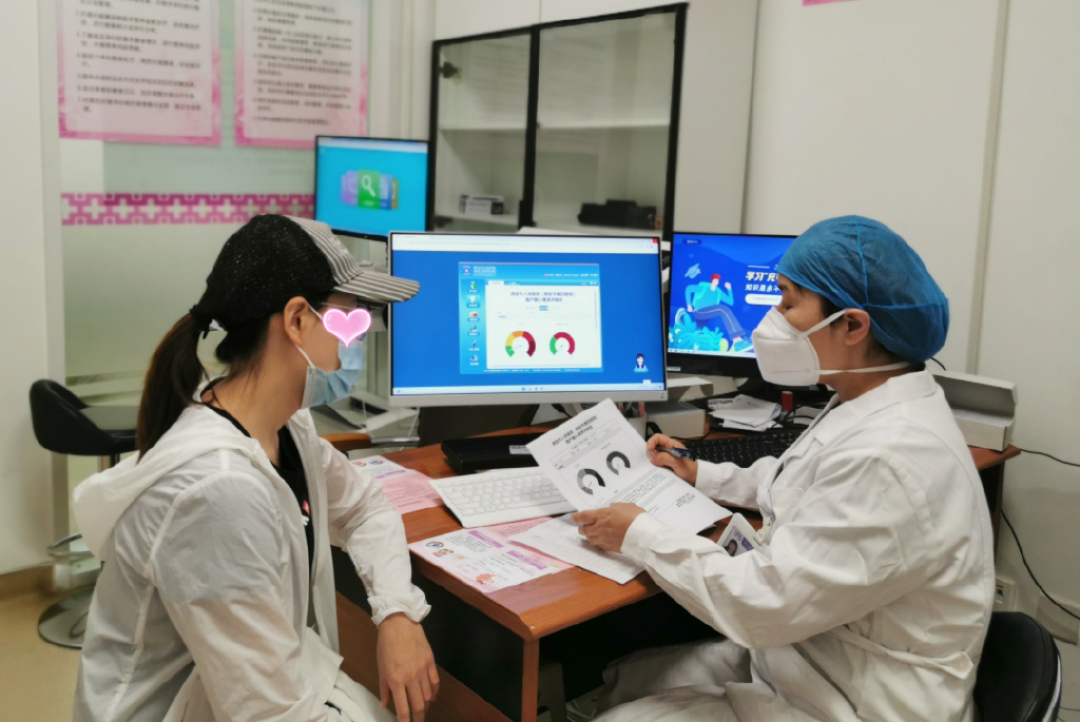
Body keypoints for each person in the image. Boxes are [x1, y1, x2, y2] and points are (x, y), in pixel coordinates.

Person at [573, 216, 994, 722]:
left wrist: (638, 534)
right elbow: (801, 481)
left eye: (788, 302)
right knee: (626, 679)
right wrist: (702, 474)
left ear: (853, 326)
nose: (773, 316)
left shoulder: (892, 455)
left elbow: (761, 605)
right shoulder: (869, 397)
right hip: (814, 652)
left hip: (856, 700)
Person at [73, 216, 439, 722]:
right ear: (296, 320)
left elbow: (366, 507)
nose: (357, 336)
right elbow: (267, 714)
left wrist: (397, 612)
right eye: (349, 315)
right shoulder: (218, 490)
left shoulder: (284, 427)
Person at [684, 273, 751, 352]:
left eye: (718, 280)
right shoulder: (704, 288)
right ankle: (737, 340)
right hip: (699, 312)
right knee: (722, 309)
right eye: (715, 279)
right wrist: (689, 305)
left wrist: (729, 289)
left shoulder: (718, 292)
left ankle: (737, 341)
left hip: (709, 316)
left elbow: (730, 302)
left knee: (723, 312)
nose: (717, 281)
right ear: (712, 280)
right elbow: (689, 289)